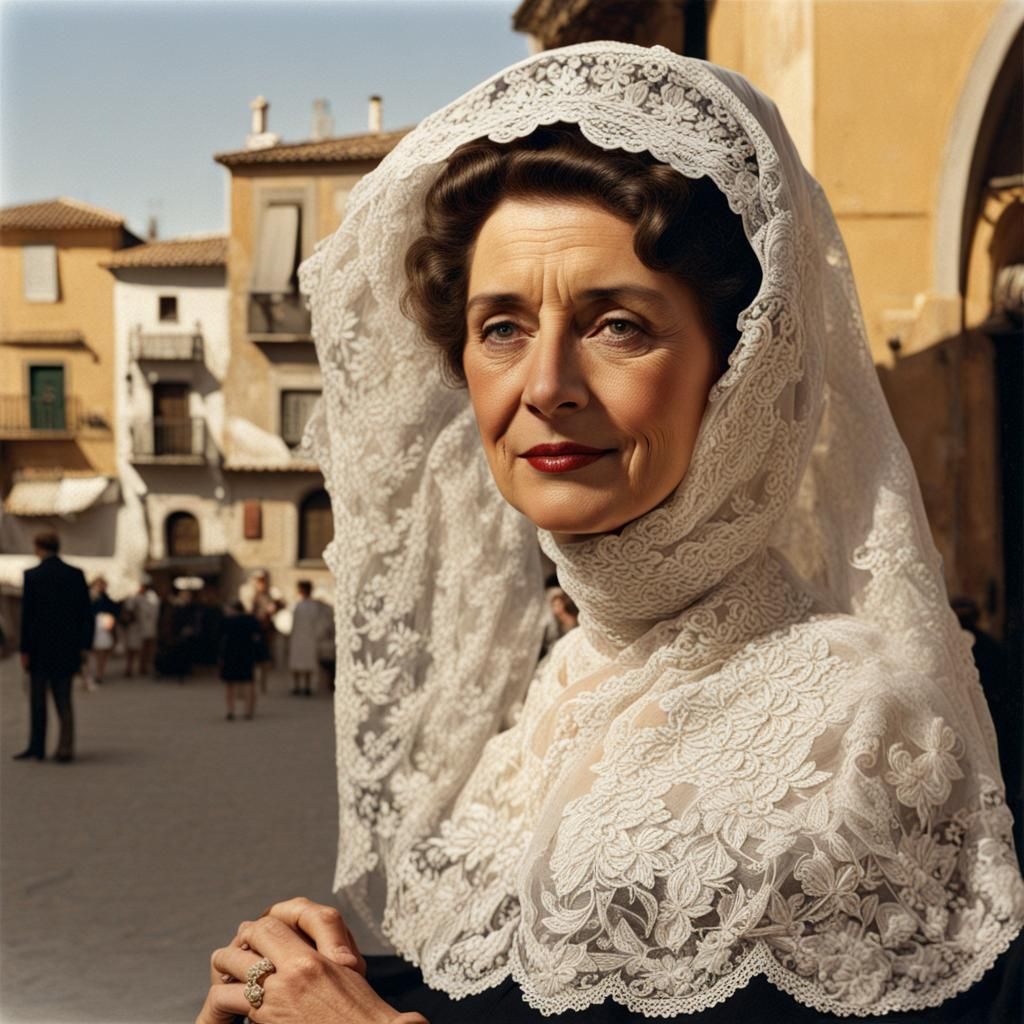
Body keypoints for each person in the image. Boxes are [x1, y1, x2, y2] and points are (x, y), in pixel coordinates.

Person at [198, 45, 1024, 1024]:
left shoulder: (902, 724)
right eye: (500, 326)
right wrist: (279, 987)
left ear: (740, 366)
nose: (544, 384)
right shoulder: (527, 702)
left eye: (617, 324)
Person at [14, 530, 92, 763]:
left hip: (39, 650)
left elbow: (27, 618)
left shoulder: (33, 576)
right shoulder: (75, 575)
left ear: (38, 547)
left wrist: (24, 650)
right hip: (67, 650)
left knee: (37, 701)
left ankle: (37, 747)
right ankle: (65, 747)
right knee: (63, 700)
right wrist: (83, 647)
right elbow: (85, 615)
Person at [218, 600, 262, 721]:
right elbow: (257, 638)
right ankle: (248, 711)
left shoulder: (227, 621)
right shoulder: (251, 620)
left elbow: (221, 639)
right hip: (246, 655)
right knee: (247, 682)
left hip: (230, 655)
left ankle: (230, 710)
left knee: (230, 684)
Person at [249, 569, 282, 694]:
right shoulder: (255, 597)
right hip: (257, 629)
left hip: (266, 630)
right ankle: (255, 683)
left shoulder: (270, 596)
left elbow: (277, 608)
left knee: (264, 659)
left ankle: (262, 684)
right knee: (256, 658)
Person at [288, 579, 322, 696]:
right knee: (297, 661)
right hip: (299, 637)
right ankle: (297, 686)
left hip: (307, 637)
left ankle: (306, 686)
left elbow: (317, 623)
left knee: (307, 662)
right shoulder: (298, 604)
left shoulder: (311, 606)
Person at [88, 576, 119, 687]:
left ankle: (100, 674)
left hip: (104, 627)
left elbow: (113, 613)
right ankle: (95, 674)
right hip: (94, 627)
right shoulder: (91, 598)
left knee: (102, 652)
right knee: (94, 653)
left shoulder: (107, 600)